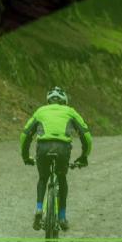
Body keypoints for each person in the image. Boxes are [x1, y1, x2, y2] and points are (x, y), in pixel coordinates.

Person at [20, 87, 91, 232]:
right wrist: (84, 156)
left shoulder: (40, 111)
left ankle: (39, 208)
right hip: (62, 149)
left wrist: (25, 156)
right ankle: (62, 217)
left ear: (48, 100)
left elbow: (25, 135)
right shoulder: (70, 112)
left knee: (43, 178)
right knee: (62, 178)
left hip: (43, 148)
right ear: (64, 101)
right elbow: (86, 136)